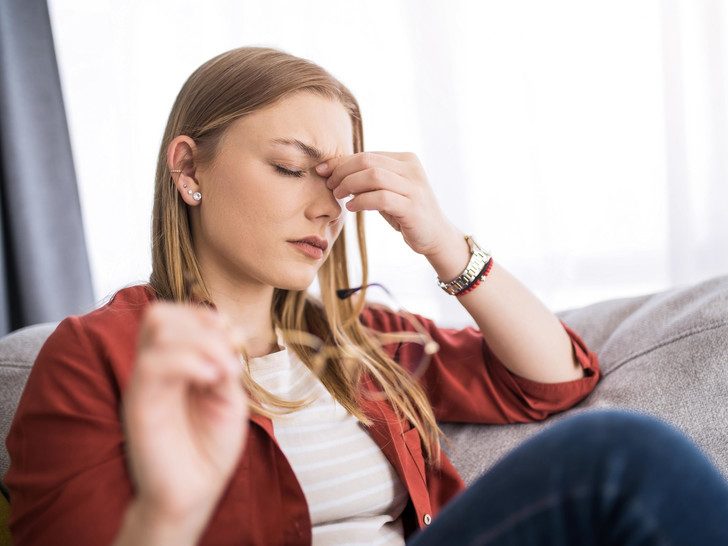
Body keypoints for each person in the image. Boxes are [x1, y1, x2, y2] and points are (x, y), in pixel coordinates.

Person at [4, 46, 728, 546]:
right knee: (618, 454)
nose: (328, 209)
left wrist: (441, 239)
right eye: (291, 168)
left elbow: (555, 379)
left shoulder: (355, 339)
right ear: (189, 169)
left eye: (337, 183)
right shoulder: (94, 357)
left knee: (622, 459)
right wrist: (168, 512)